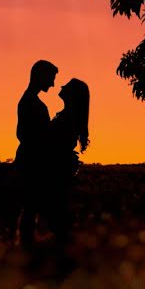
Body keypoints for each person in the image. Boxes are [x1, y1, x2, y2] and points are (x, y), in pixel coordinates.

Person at [15, 59, 58, 248]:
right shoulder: (32, 103)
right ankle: (27, 245)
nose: (52, 84)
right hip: (32, 161)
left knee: (31, 206)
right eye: (50, 78)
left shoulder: (30, 101)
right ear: (40, 76)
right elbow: (23, 134)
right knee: (32, 205)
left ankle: (28, 244)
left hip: (30, 159)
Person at [46, 78, 90, 248]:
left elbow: (55, 144)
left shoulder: (68, 118)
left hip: (58, 169)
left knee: (57, 211)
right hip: (61, 168)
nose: (62, 86)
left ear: (73, 95)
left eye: (67, 86)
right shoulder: (68, 116)